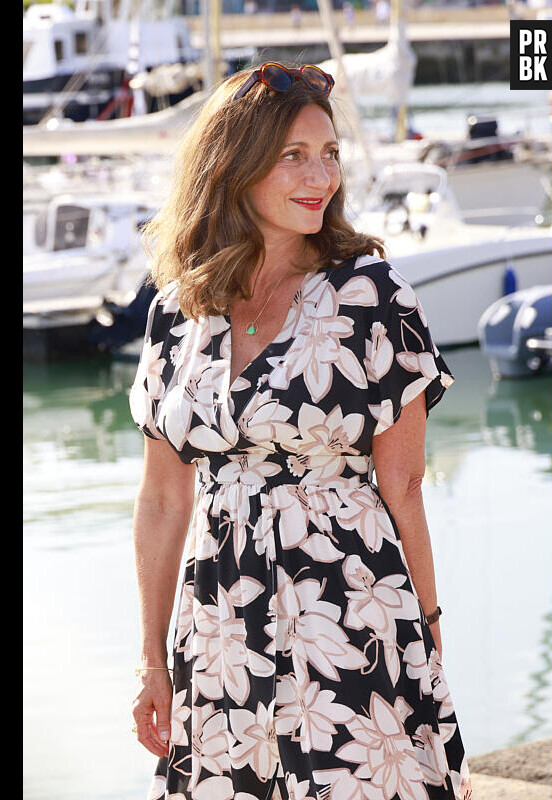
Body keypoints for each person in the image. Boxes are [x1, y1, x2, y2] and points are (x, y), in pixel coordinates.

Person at [129, 61, 473, 800]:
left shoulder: (373, 296)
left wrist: (428, 628)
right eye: (293, 157)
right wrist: (153, 657)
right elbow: (162, 498)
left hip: (349, 608)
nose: (320, 176)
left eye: (329, 154)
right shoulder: (176, 311)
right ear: (234, 166)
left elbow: (404, 486)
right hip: (221, 623)